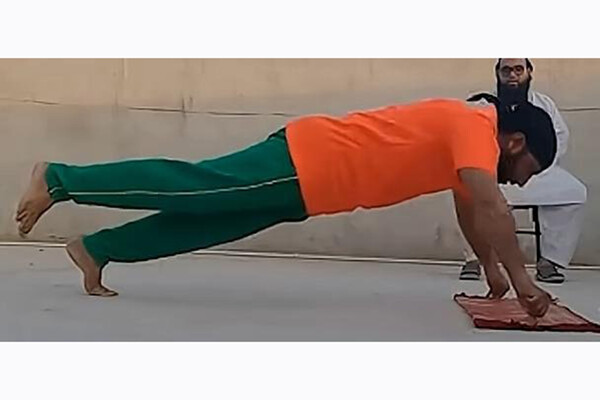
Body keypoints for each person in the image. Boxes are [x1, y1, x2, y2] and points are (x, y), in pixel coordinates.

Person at [15, 95, 557, 317]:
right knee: (193, 187)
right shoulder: (475, 125)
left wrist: (492, 268)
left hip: (312, 190)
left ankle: (98, 249)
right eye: (527, 169)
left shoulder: (472, 151)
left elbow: (472, 206)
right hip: (306, 161)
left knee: (209, 223)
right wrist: (524, 282)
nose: (519, 182)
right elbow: (491, 207)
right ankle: (60, 178)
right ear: (514, 143)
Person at [459, 59, 587, 284]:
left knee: (574, 192)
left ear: (529, 73)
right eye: (506, 70)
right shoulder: (482, 105)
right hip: (493, 174)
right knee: (466, 189)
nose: (512, 75)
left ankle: (550, 261)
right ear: (497, 73)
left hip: (537, 172)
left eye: (519, 70)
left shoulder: (544, 104)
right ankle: (476, 258)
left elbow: (559, 139)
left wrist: (536, 165)